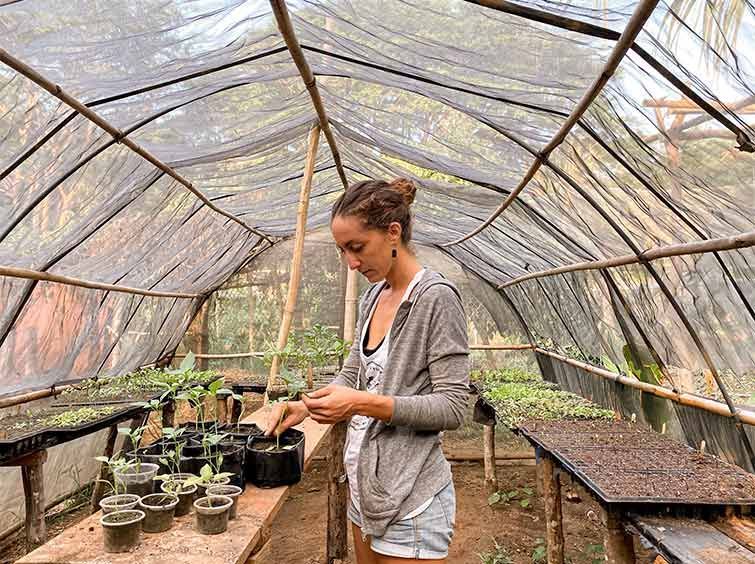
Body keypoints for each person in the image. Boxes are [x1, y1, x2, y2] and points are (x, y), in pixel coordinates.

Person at [265, 178, 469, 563]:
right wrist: (306, 406)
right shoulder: (374, 296)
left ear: (393, 232)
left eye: (357, 247)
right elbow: (354, 371)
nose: (351, 263)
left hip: (411, 496)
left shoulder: (436, 299)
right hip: (366, 487)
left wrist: (361, 403)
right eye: (343, 250)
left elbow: (453, 407)